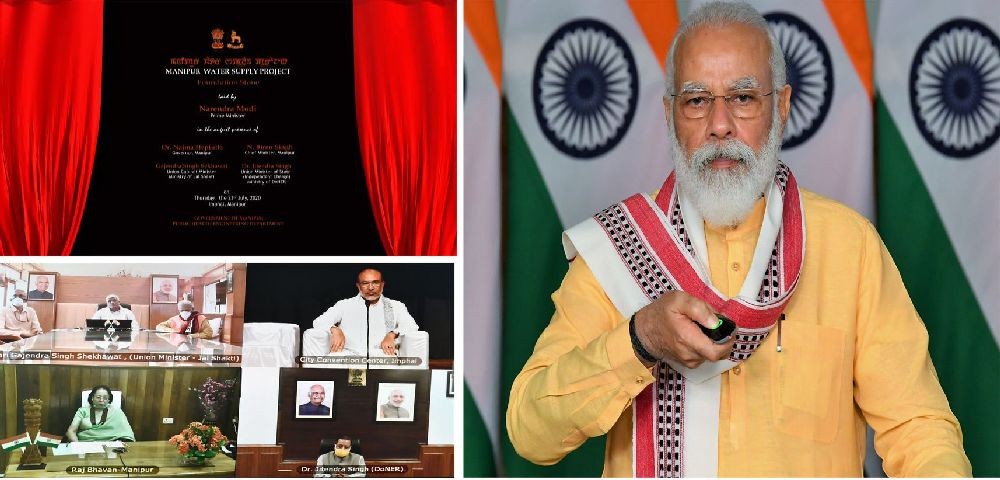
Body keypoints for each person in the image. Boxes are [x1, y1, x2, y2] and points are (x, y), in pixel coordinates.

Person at [505, 2, 971, 477]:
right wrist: (639, 341)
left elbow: (918, 428)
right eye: (696, 100)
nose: (720, 124)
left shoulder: (849, 246)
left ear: (782, 107)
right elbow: (529, 430)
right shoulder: (618, 250)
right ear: (670, 114)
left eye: (744, 97)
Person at [312, 268, 419, 357]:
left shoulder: (396, 306)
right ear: (358, 286)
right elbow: (318, 322)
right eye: (365, 283)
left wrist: (392, 334)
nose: (371, 288)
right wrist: (334, 329)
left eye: (375, 282)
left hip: (382, 354)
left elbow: (411, 326)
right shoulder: (344, 305)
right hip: (348, 354)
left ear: (382, 285)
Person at [66, 385, 136, 442]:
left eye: (105, 398)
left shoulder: (117, 412)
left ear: (109, 399)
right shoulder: (82, 411)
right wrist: (77, 446)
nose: (101, 400)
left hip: (111, 446)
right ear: (92, 398)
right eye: (98, 397)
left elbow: (127, 433)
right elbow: (71, 431)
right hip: (85, 444)